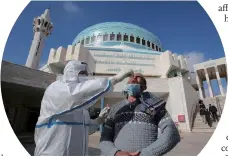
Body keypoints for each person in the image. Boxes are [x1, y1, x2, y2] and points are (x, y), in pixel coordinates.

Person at [34, 60, 134, 156]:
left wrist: (98, 120)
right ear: (71, 73)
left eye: (86, 74)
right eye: (82, 73)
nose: (85, 77)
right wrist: (114, 80)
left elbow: (86, 129)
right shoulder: (56, 88)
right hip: (51, 152)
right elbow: (75, 95)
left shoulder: (82, 110)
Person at [100, 73, 180, 156]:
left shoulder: (155, 105)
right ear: (126, 85)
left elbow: (172, 133)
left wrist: (146, 153)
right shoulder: (115, 108)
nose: (134, 77)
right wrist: (115, 153)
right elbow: (104, 138)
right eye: (131, 77)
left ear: (144, 87)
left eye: (138, 77)